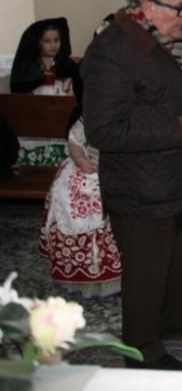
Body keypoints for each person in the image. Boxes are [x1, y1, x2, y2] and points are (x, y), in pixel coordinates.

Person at [81, 0, 182, 370]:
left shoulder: (166, 40)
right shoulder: (112, 51)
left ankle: (176, 319)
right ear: (147, 5)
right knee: (147, 273)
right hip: (142, 188)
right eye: (181, 8)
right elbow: (103, 129)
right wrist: (175, 128)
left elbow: (166, 99)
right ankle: (143, 351)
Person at [39, 104, 122, 299]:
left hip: (121, 171)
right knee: (71, 197)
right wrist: (81, 161)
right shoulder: (93, 110)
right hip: (90, 167)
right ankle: (84, 276)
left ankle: (123, 274)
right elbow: (75, 139)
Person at [11, 17, 80, 96]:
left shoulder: (65, 63)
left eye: (56, 40)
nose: (53, 45)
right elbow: (21, 89)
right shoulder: (30, 66)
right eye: (47, 41)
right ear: (38, 43)